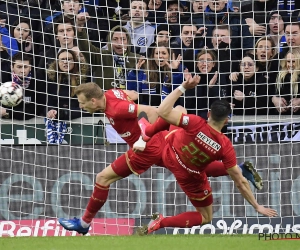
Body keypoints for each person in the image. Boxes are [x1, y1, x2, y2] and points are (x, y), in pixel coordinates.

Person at [58, 82, 263, 235]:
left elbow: (150, 110)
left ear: (93, 100)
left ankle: (84, 224)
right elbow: (133, 94)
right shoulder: (112, 93)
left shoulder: (116, 108)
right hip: (161, 141)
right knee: (187, 162)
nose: (81, 106)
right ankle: (239, 169)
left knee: (103, 178)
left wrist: (144, 137)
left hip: (145, 151)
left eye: (82, 103)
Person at [138, 75, 277, 234]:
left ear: (209, 113)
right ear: (226, 121)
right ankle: (161, 222)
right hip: (189, 174)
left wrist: (183, 87)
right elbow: (240, 183)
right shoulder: (224, 146)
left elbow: (162, 111)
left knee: (179, 110)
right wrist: (257, 206)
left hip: (170, 151)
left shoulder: (195, 122)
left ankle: (147, 132)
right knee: (205, 217)